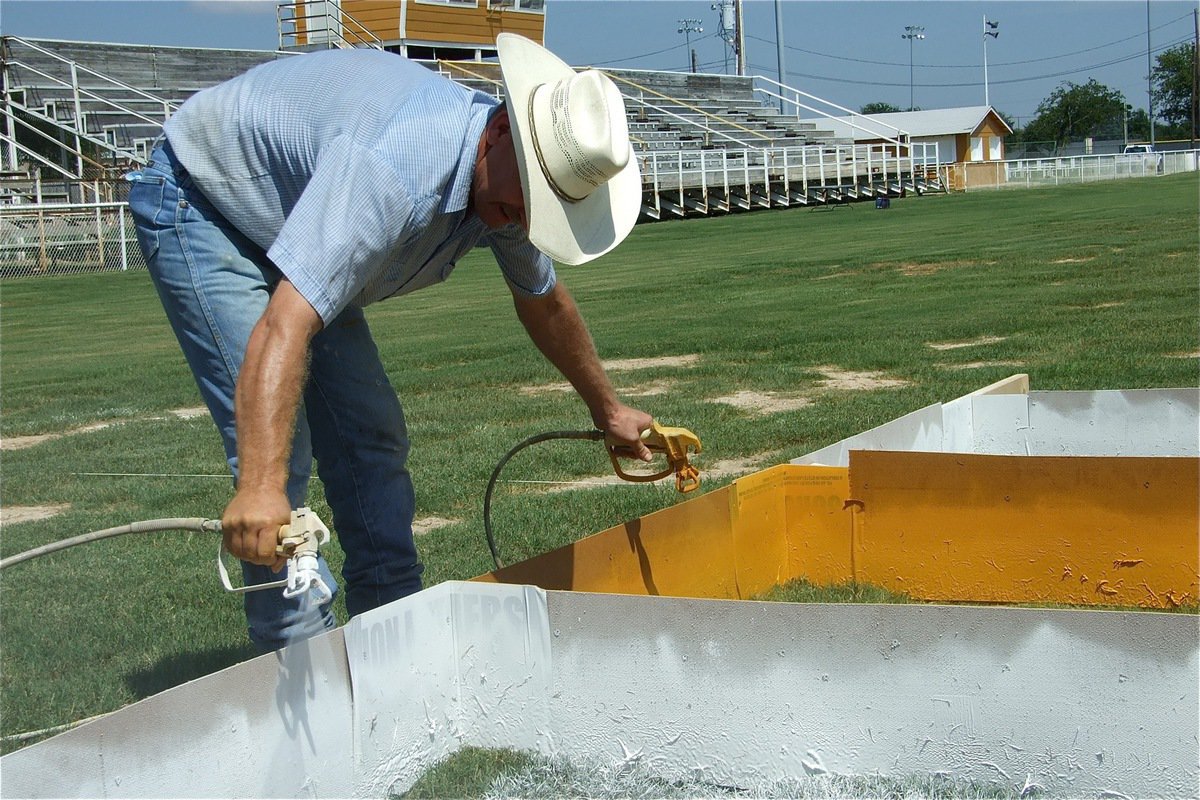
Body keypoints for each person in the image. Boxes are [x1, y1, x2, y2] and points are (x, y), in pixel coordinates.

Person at [128, 34, 653, 650]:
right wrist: (261, 489)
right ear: (501, 130)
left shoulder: (508, 194)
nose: (529, 215)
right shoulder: (396, 171)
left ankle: (395, 647)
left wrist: (607, 409)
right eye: (532, 195)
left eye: (549, 204)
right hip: (205, 201)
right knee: (277, 472)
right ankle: (299, 671)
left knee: (372, 437)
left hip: (298, 212)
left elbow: (544, 302)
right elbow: (284, 326)